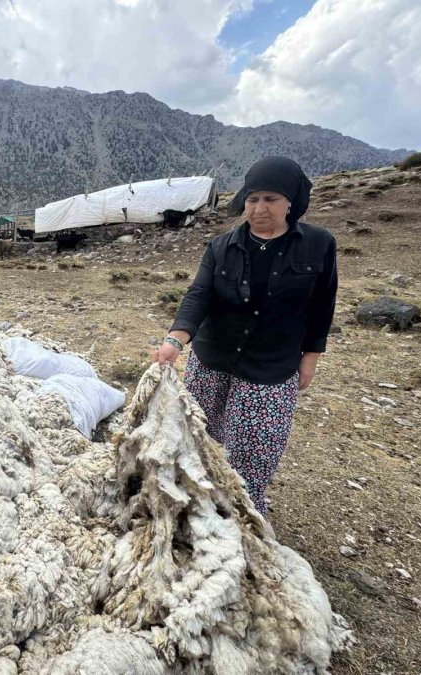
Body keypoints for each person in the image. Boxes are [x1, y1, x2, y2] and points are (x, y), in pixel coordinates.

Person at [152, 156, 338, 516]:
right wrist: (175, 340)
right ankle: (196, 504)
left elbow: (322, 305)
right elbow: (198, 295)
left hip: (271, 367)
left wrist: (311, 358)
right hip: (213, 360)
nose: (260, 208)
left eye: (271, 199)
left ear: (291, 202)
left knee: (255, 450)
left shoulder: (318, 245)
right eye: (252, 199)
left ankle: (243, 515)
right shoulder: (222, 246)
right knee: (199, 438)